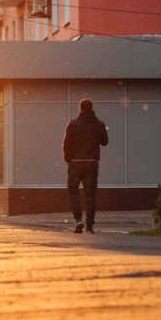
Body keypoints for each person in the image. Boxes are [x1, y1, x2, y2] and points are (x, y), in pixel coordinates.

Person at [62, 98, 109, 233]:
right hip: (92, 163)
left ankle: (78, 220)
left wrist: (68, 159)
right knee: (90, 195)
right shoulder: (99, 124)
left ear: (80, 108)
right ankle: (89, 225)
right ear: (92, 108)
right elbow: (105, 142)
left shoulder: (72, 124)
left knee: (73, 192)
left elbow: (66, 144)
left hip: (75, 163)